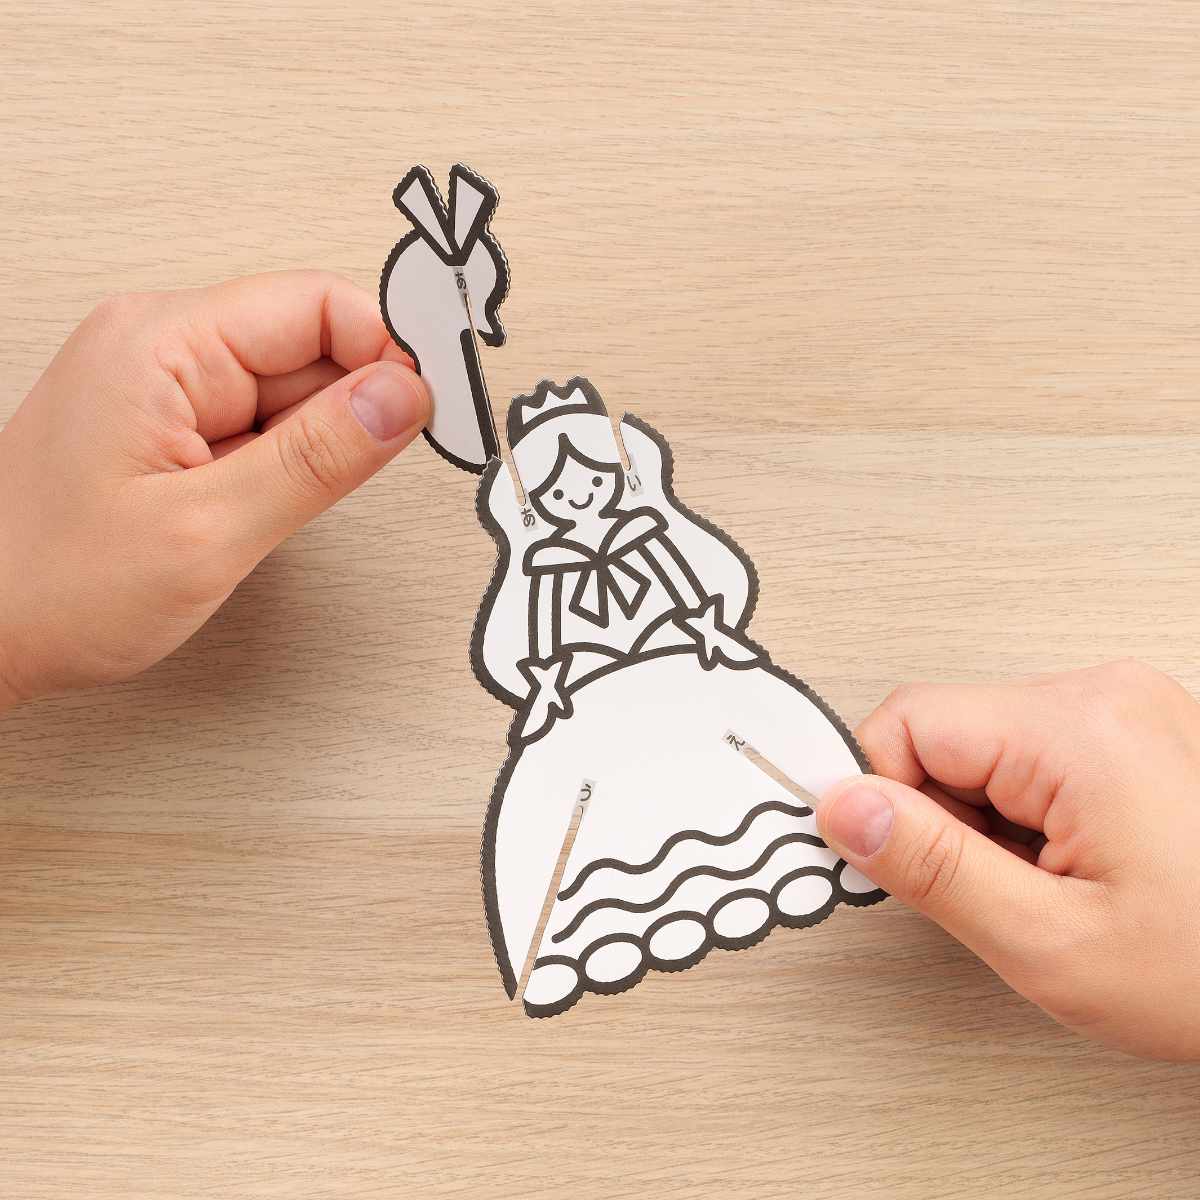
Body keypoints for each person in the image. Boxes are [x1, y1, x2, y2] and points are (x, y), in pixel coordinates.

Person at [1, 272, 1197, 1059]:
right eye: (560, 488)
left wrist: (708, 636)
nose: (580, 500)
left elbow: (703, 588)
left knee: (774, 788)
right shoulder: (539, 575)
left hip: (698, 676)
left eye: (594, 480)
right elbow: (515, 646)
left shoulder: (658, 543)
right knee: (583, 820)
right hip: (597, 708)